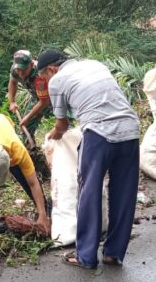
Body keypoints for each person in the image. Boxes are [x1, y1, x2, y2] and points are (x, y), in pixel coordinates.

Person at [38, 50, 140, 270]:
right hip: (130, 129)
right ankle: (113, 253)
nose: (46, 82)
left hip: (99, 132)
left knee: (89, 191)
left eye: (44, 77)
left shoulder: (57, 81)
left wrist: (54, 135)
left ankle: (86, 256)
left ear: (51, 70)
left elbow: (62, 125)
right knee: (124, 192)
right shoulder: (95, 64)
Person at [7, 50, 51, 143]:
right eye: (18, 70)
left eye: (24, 70)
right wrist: (12, 102)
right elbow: (13, 83)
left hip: (54, 98)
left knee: (64, 126)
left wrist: (28, 117)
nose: (20, 73)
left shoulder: (40, 75)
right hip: (37, 97)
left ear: (31, 64)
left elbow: (44, 101)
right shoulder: (15, 68)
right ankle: (30, 150)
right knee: (26, 126)